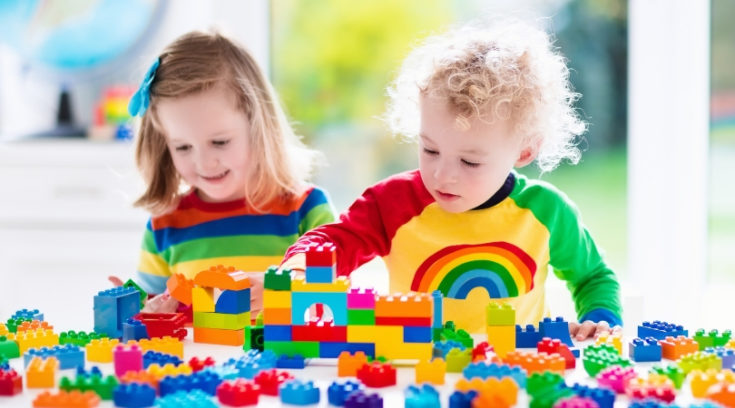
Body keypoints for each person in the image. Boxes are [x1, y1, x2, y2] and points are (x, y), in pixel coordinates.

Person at [282, 20, 621, 338]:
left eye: (469, 161)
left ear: (524, 152)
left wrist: (600, 320)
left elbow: (593, 277)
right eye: (430, 150)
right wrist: (298, 270)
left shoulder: (547, 212)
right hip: (419, 376)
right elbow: (336, 241)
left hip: (515, 377)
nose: (442, 175)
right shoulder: (392, 203)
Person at [119, 30, 335, 314]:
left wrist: (279, 291)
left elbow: (335, 298)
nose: (205, 163)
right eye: (183, 147)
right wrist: (136, 310)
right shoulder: (165, 225)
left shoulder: (306, 209)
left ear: (257, 125)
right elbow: (151, 311)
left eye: (219, 142)